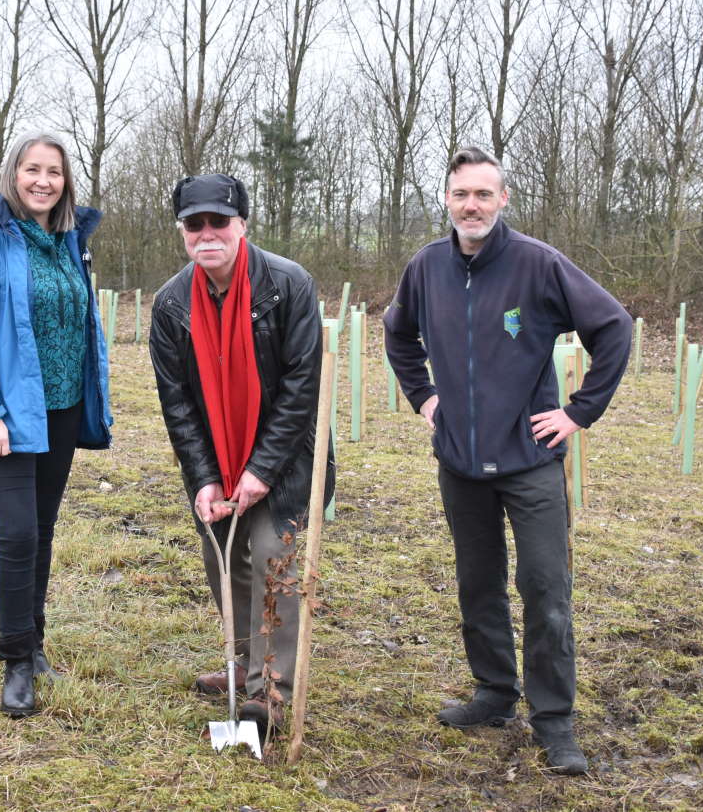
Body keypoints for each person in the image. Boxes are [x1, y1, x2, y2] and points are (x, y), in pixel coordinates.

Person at [384, 147, 631, 775]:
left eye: (484, 195)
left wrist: (579, 412)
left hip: (531, 461)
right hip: (459, 461)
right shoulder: (427, 267)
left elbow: (614, 327)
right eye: (462, 193)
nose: (472, 205)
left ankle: (554, 723)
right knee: (478, 582)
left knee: (546, 589)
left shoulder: (538, 265)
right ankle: (494, 694)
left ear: (503, 200)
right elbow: (397, 332)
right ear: (446, 198)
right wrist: (424, 398)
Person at [149, 173, 334, 738]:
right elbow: (177, 404)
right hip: (214, 455)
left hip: (286, 455)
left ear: (241, 225)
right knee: (224, 560)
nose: (207, 233)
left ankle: (270, 690)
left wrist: (261, 471)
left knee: (270, 555)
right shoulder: (171, 304)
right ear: (183, 231)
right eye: (194, 223)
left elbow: (303, 387)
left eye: (218, 222)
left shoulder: (287, 285)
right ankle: (241, 666)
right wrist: (205, 477)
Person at [0, 134, 112, 718]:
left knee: (41, 530)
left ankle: (35, 640)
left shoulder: (69, 243)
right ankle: (16, 660)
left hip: (61, 410)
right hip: (8, 418)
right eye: (32, 169)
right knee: (16, 534)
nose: (43, 181)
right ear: (12, 172)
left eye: (55, 172)